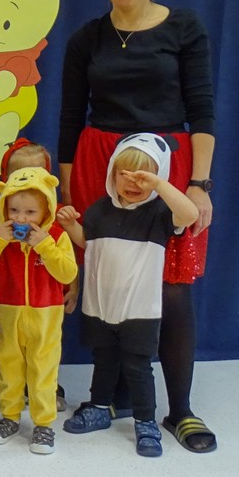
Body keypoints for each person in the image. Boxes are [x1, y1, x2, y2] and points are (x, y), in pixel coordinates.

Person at [58, 0, 218, 453]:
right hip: (99, 162)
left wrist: (199, 183)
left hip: (167, 167)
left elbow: (202, 109)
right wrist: (68, 190)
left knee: (170, 286)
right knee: (110, 281)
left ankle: (181, 410)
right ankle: (117, 394)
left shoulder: (184, 28)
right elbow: (69, 121)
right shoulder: (87, 38)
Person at [55, 135, 200, 457]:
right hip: (101, 305)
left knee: (138, 366)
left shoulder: (160, 213)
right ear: (112, 173)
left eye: (144, 176)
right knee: (104, 360)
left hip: (140, 309)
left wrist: (159, 185)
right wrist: (70, 226)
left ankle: (145, 421)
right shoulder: (99, 210)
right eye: (126, 174)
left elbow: (190, 214)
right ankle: (98, 406)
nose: (134, 183)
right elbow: (87, 243)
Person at [0, 167, 77, 454]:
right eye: (14, 210)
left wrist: (45, 246)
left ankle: (43, 424)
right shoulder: (0, 237)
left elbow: (67, 273)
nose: (20, 219)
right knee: (8, 368)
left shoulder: (56, 236)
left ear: (47, 210)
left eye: (30, 212)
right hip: (9, 313)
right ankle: (9, 417)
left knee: (43, 370)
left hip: (46, 316)